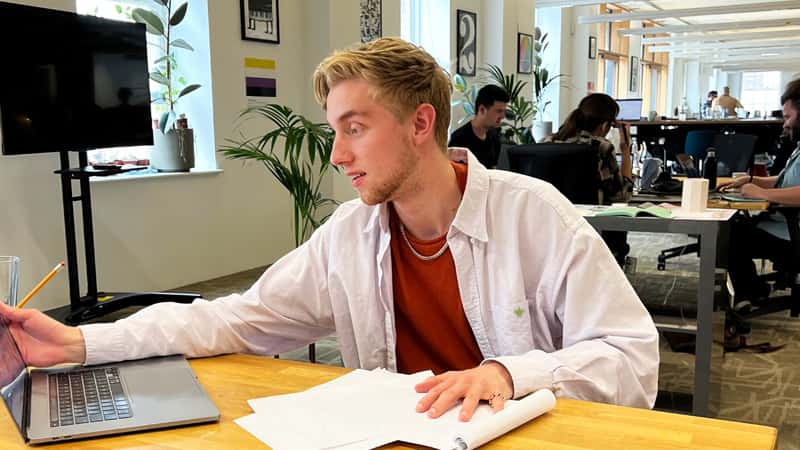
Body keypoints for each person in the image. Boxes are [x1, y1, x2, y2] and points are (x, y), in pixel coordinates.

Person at [0, 38, 658, 421]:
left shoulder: (535, 215)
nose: (338, 155)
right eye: (333, 130)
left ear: (420, 125)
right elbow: (229, 322)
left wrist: (508, 374)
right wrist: (76, 343)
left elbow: (633, 360)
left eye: (355, 127)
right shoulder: (352, 234)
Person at [719, 78, 800, 305]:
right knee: (728, 227)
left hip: (791, 234)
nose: (784, 124)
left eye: (788, 117)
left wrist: (763, 194)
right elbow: (786, 181)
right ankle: (750, 288)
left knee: (728, 237)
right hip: (782, 225)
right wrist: (754, 180)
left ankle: (750, 292)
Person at [544, 93, 634, 265]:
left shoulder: (546, 142)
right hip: (590, 228)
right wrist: (625, 148)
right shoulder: (601, 147)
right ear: (605, 125)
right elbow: (622, 196)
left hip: (551, 228)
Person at [448, 84, 509, 169]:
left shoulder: (494, 137)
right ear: (482, 110)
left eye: (504, 111)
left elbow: (493, 171)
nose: (503, 116)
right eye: (499, 111)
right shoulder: (459, 139)